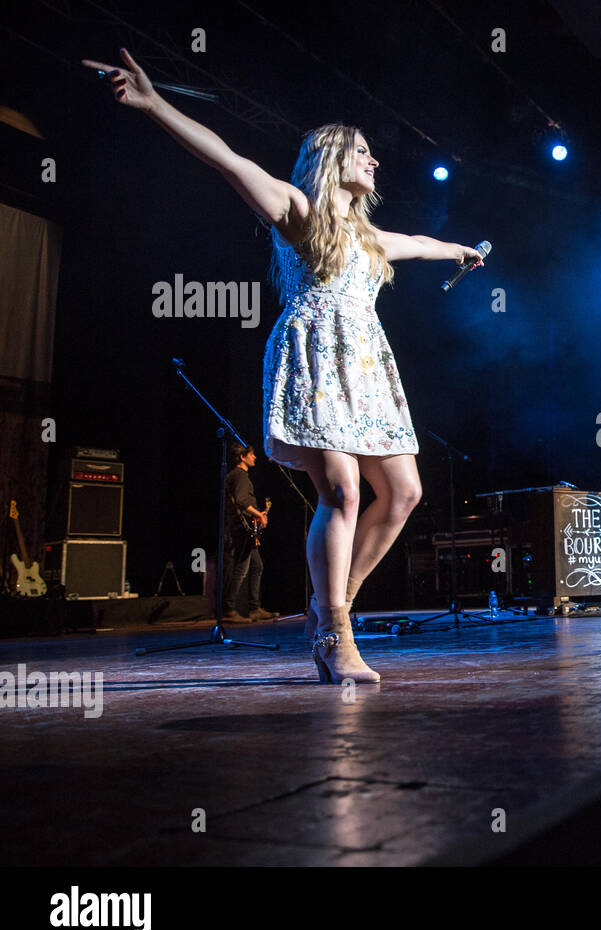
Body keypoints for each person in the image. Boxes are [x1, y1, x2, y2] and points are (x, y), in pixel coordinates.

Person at [85, 49, 484, 683]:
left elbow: (419, 243)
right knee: (343, 492)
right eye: (360, 152)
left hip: (368, 367)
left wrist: (459, 250)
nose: (374, 160)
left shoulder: (368, 237)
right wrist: (156, 103)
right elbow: (227, 158)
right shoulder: (298, 210)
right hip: (317, 354)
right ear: (331, 161)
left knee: (405, 491)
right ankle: (335, 633)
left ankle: (333, 607)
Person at [222, 445, 275, 623]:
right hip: (242, 528)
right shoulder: (240, 476)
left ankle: (254, 607)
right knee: (242, 568)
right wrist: (259, 514)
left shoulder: (235, 476)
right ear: (243, 457)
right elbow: (241, 500)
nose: (255, 458)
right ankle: (228, 609)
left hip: (240, 527)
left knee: (256, 565)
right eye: (251, 455)